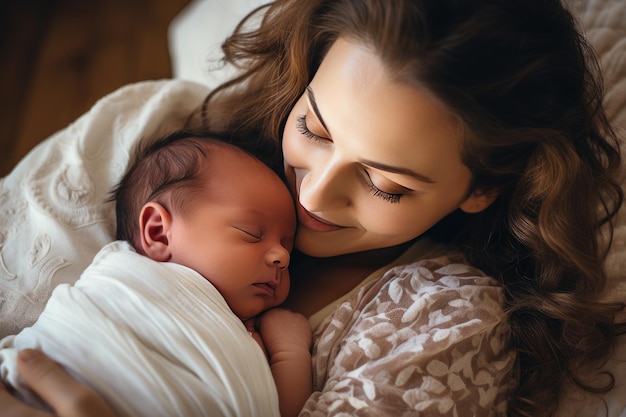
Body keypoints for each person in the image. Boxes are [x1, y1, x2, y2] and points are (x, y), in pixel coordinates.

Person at [1, 0, 625, 416]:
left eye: (387, 185)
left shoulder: (443, 320)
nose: (313, 195)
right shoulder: (170, 140)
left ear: (480, 189)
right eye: (314, 128)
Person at [0, 131, 312, 417]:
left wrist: (289, 352)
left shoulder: (250, 339)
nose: (282, 256)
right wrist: (291, 351)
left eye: (287, 244)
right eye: (252, 233)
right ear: (159, 233)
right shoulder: (124, 277)